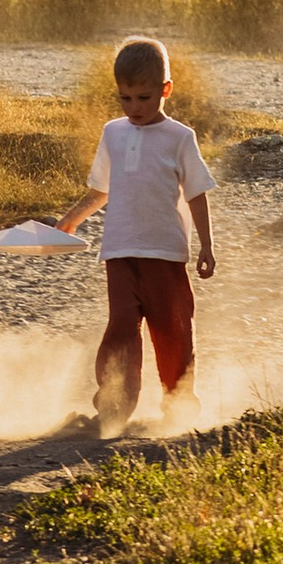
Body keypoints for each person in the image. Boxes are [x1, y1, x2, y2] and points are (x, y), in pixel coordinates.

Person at [52, 35, 218, 425]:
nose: (134, 107)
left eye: (144, 98)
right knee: (121, 328)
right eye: (125, 98)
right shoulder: (113, 133)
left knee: (173, 332)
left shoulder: (180, 138)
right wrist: (72, 219)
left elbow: (196, 193)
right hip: (120, 251)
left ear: (166, 89)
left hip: (165, 253)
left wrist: (207, 245)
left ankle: (179, 404)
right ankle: (112, 406)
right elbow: (102, 189)